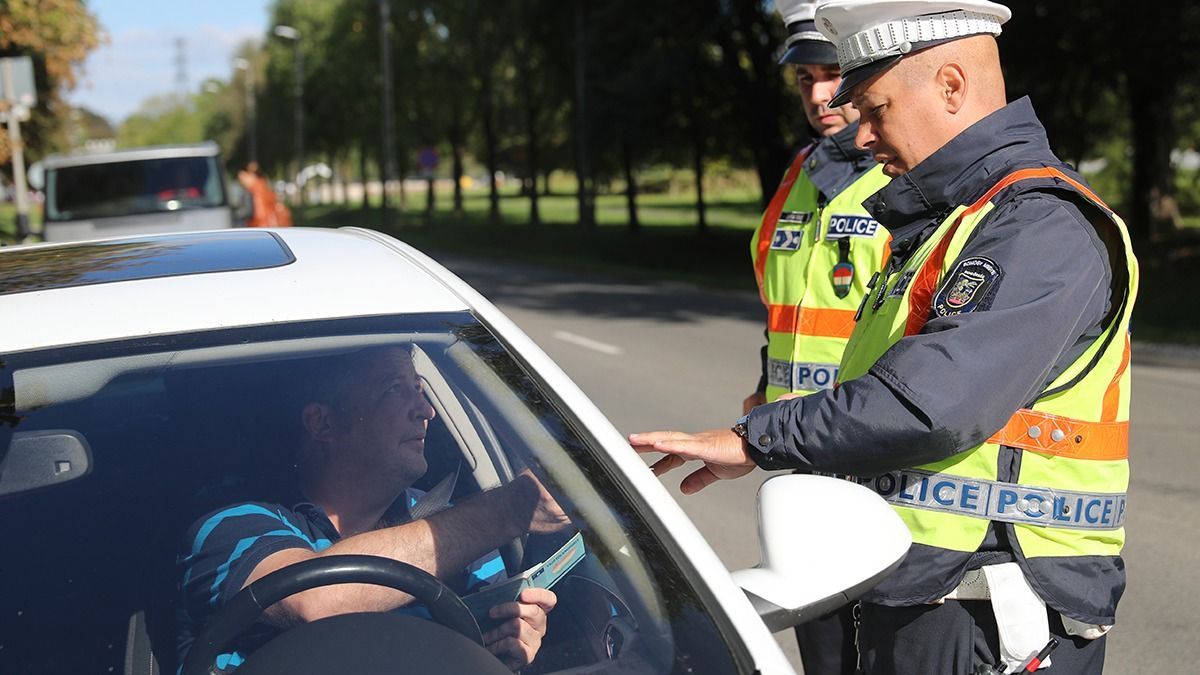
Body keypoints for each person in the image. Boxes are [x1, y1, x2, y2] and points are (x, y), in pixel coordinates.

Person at [631, 1, 1138, 672]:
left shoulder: (1041, 227)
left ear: (952, 86)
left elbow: (929, 405)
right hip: (922, 586)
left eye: (876, 110)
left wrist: (758, 437)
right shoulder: (948, 221)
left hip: (991, 602)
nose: (862, 137)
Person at [177, 345, 570, 671]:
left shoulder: (452, 527)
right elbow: (312, 600)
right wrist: (508, 511)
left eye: (420, 389)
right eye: (395, 389)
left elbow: (485, 639)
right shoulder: (232, 523)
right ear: (323, 423)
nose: (426, 410)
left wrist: (506, 640)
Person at [745, 1, 891, 672]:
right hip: (801, 464)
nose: (820, 95)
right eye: (805, 78)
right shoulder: (798, 177)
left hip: (881, 470)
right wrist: (764, 386)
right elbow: (784, 310)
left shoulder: (909, 177)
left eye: (832, 72)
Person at [237, 161, 292, 227]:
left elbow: (260, 214)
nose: (242, 182)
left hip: (262, 227)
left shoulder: (257, 190)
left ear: (251, 175)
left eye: (243, 178)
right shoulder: (263, 186)